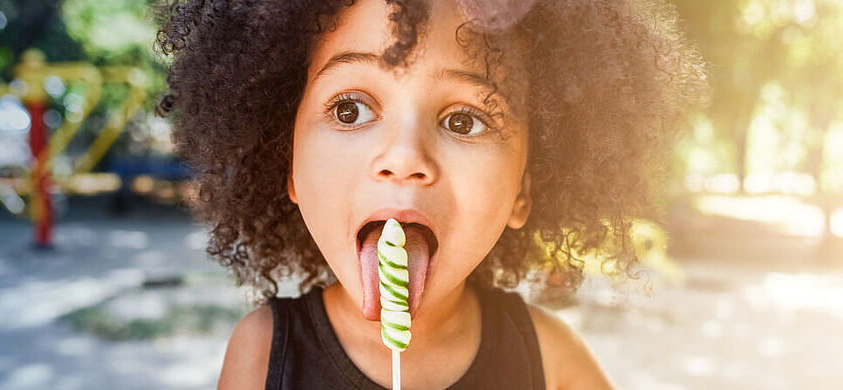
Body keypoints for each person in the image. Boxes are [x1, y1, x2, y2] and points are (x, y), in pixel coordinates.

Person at [154, 0, 706, 388]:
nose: (404, 158)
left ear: (524, 191)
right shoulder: (264, 354)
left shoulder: (550, 359)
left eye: (464, 121)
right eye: (350, 110)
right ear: (288, 166)